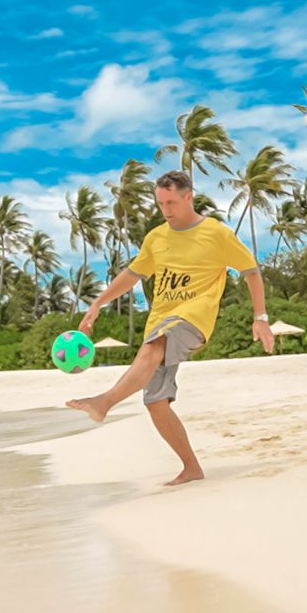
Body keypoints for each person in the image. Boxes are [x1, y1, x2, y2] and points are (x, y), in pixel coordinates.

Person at [65, 169, 275, 486]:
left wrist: (260, 319)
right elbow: (133, 274)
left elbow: (251, 272)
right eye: (161, 203)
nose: (166, 210)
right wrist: (97, 303)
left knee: (152, 348)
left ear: (189, 197)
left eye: (172, 202)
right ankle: (191, 467)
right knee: (155, 403)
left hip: (193, 318)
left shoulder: (216, 234)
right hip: (160, 318)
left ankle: (103, 402)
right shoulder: (156, 238)